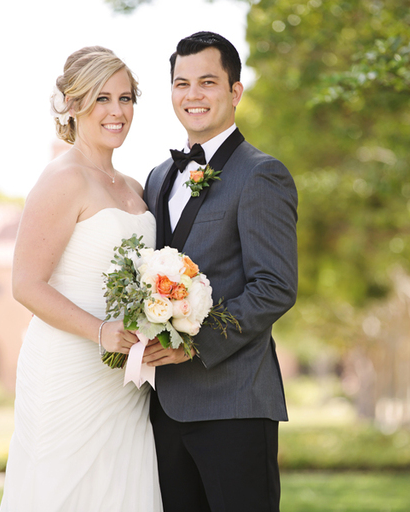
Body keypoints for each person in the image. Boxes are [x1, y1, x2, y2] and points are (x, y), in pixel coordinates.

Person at [0, 46, 162, 512]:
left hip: (124, 379)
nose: (117, 111)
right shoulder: (61, 179)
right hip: (69, 367)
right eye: (101, 98)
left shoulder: (133, 187)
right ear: (72, 106)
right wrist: (99, 330)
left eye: (126, 98)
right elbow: (26, 284)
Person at [142, 31, 298, 512]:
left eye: (207, 82)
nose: (193, 95)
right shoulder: (156, 178)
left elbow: (274, 288)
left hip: (234, 406)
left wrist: (191, 343)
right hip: (161, 410)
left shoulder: (262, 174)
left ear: (235, 92)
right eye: (181, 83)